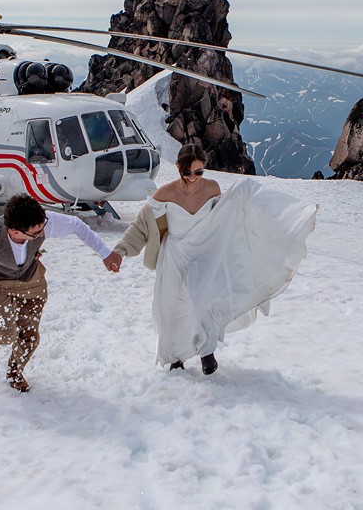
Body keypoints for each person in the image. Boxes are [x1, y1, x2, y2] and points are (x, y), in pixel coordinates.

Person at [112, 144, 317, 375]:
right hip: (175, 255)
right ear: (178, 168)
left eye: (198, 172)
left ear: (204, 169)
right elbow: (140, 226)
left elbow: (226, 216)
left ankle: (207, 351)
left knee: (204, 299)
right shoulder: (164, 194)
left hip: (203, 252)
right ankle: (176, 357)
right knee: (172, 306)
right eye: (186, 172)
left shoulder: (211, 188)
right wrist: (119, 252)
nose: (192, 178)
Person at [0, 194, 123, 392]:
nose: (41, 234)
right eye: (35, 233)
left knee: (29, 335)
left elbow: (76, 225)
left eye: (42, 229)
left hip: (31, 280)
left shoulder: (41, 222)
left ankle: (15, 370)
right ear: (15, 232)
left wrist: (105, 253)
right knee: (5, 334)